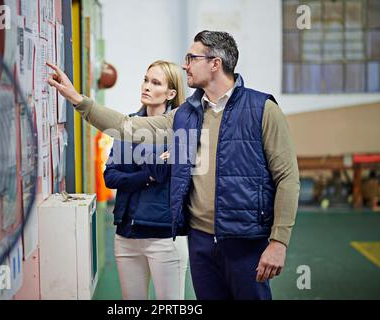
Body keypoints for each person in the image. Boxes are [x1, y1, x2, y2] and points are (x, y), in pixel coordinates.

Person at [47, 30, 300, 300]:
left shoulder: (262, 109)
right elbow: (127, 127)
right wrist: (78, 100)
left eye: (192, 58)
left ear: (215, 63)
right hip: (200, 240)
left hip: (245, 240)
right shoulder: (186, 114)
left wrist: (278, 241)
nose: (185, 65)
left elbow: (287, 178)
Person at [103, 60, 188, 299]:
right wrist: (148, 173)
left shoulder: (180, 129)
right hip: (126, 234)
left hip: (164, 236)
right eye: (146, 80)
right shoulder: (128, 124)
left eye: (155, 82)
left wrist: (143, 166)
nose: (147, 86)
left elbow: (163, 173)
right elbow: (110, 176)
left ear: (171, 93)